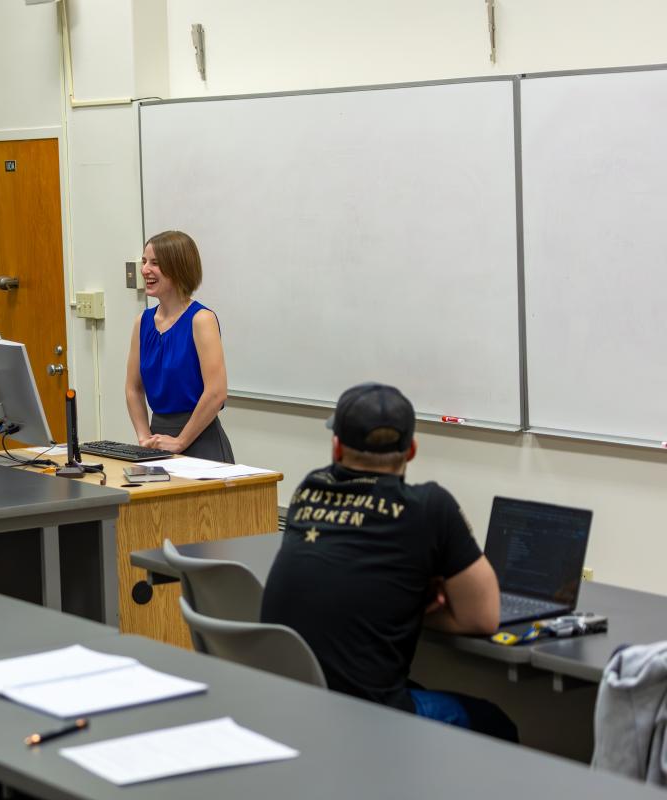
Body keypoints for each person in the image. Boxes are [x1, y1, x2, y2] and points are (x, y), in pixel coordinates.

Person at [260, 382, 517, 740]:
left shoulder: (309, 488)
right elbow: (484, 617)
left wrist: (398, 602)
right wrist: (410, 606)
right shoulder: (429, 507)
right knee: (495, 722)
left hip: (295, 705)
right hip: (365, 717)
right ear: (411, 450)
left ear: (337, 446)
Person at [125, 230, 233, 461]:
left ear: (178, 268)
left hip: (201, 442)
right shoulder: (142, 322)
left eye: (155, 263)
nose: (145, 270)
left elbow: (216, 393)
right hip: (158, 441)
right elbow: (133, 388)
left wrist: (181, 441)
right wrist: (144, 437)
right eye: (144, 261)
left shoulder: (201, 319)